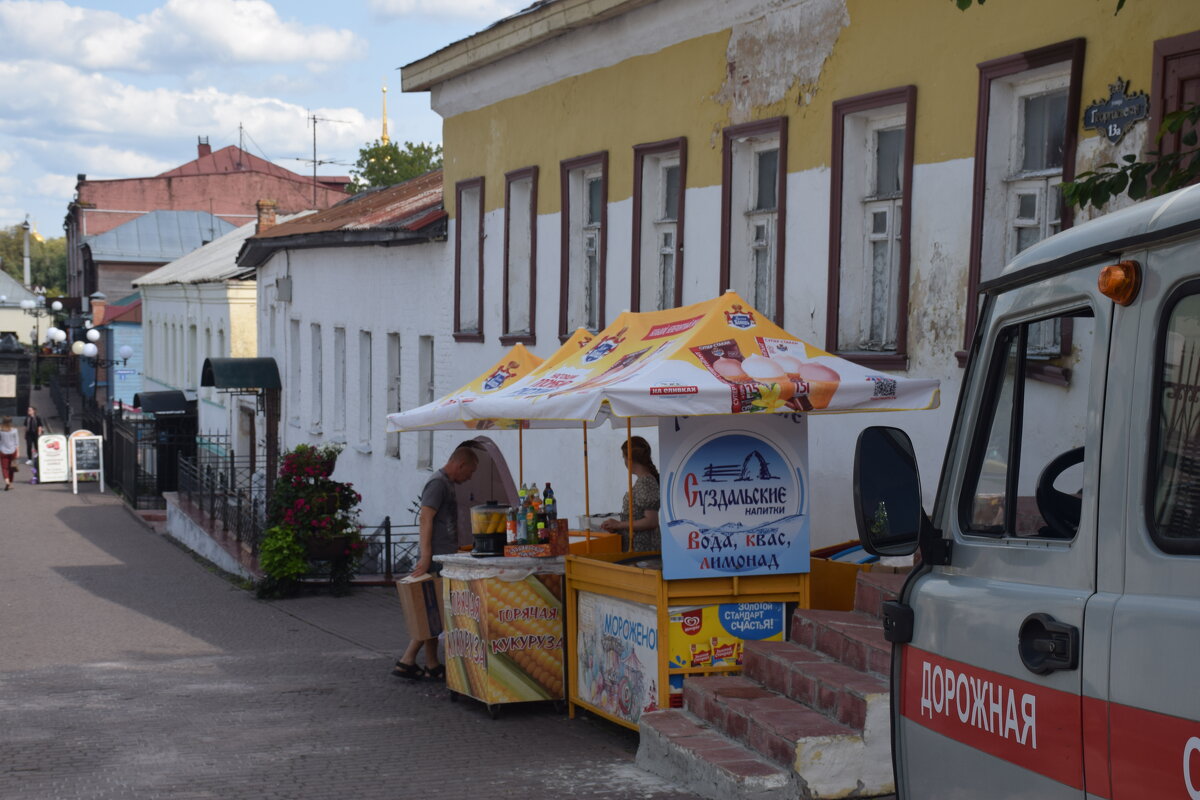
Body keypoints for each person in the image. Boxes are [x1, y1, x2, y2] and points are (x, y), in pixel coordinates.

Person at [392, 444, 479, 680]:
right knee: (436, 611)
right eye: (468, 472)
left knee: (432, 609)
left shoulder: (446, 484)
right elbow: (425, 518)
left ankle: (431, 664)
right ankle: (407, 659)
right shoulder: (437, 483)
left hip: (442, 554)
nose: (468, 477)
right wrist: (426, 555)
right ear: (459, 465)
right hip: (436, 557)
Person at [601, 436, 661, 552]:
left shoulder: (646, 482)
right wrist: (617, 527)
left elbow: (651, 521)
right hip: (638, 548)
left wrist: (619, 525)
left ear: (629, 459)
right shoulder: (644, 481)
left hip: (644, 550)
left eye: (623, 458)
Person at [0, 417, 19, 491]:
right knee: (12, 467)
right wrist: (18, 452)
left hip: (3, 451)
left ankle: (7, 481)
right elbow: (16, 442)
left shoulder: (1, 431)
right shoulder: (14, 430)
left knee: (4, 468)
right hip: (12, 450)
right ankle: (11, 483)